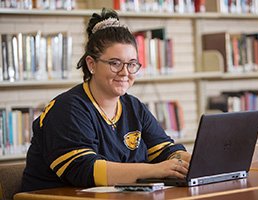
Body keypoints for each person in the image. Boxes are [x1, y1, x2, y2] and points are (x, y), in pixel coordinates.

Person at [21, 8, 191, 192]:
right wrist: (156, 170)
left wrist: (195, 160)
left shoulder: (134, 106)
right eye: (115, 63)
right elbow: (85, 170)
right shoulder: (67, 109)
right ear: (91, 64)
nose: (125, 72)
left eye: (132, 64)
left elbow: (164, 151)